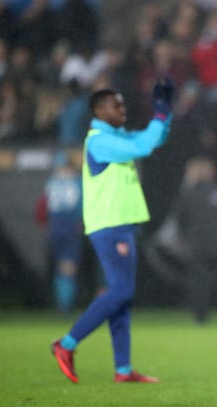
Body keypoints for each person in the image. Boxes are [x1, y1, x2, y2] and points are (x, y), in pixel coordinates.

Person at [50, 77, 174, 384]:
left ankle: (122, 369)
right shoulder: (100, 141)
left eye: (123, 103)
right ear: (99, 110)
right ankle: (66, 344)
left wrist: (164, 111)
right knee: (121, 291)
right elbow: (145, 145)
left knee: (122, 297)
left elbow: (152, 140)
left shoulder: (116, 137)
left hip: (119, 225)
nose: (123, 108)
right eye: (116, 104)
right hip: (109, 225)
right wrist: (158, 117)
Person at [173, 156, 217, 324]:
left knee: (199, 282)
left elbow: (180, 221)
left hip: (197, 245)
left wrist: (185, 238)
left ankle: (200, 317)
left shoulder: (188, 195)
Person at [35, 150, 83, 313]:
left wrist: (45, 225)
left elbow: (41, 209)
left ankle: (60, 303)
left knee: (58, 266)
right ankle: (65, 306)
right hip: (70, 227)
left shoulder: (51, 182)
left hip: (54, 227)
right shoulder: (77, 182)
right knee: (68, 266)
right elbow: (83, 205)